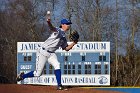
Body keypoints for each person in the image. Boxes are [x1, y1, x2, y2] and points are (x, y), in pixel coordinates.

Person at [17, 12, 77, 90]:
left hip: (51, 54)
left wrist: (74, 43)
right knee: (38, 74)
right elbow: (52, 28)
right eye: (67, 23)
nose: (69, 25)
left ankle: (59, 85)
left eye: (69, 24)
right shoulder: (58, 31)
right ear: (63, 24)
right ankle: (22, 76)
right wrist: (48, 22)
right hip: (43, 52)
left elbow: (66, 48)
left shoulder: (63, 37)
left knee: (57, 65)